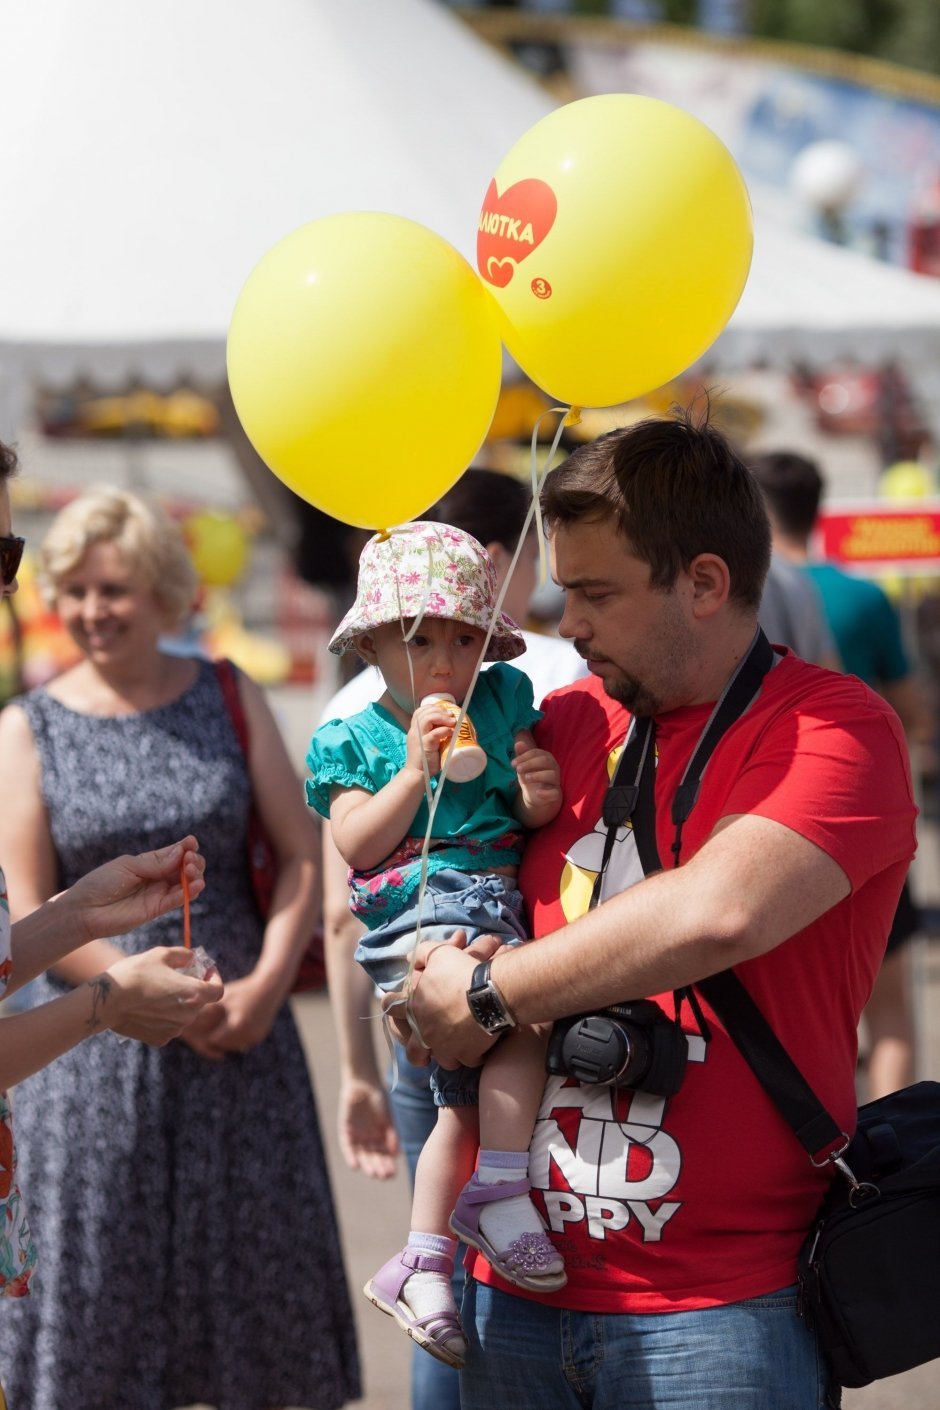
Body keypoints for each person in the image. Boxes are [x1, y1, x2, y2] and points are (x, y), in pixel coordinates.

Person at [387, 410, 916, 1410]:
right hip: (513, 1279)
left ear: (705, 584)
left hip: (722, 1306)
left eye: (595, 593)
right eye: (562, 591)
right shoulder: (565, 721)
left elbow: (718, 911)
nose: (567, 623)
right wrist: (424, 970)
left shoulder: (837, 728)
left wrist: (488, 994)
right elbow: (448, 880)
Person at [0, 485, 360, 1410]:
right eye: (71, 589)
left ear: (163, 590)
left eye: (111, 587)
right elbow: (32, 910)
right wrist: (128, 994)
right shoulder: (26, 726)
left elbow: (298, 854)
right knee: (94, 1331)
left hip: (242, 1040)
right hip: (88, 1059)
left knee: (257, 1324)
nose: (89, 609)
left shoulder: (228, 692)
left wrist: (268, 984)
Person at [320, 468, 588, 1410]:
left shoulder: (509, 699)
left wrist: (532, 791)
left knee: (495, 1067)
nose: (443, 661)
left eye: (464, 639)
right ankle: (470, 1217)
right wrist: (409, 771)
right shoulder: (353, 735)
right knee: (489, 994)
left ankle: (444, 1236)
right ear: (378, 645)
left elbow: (523, 810)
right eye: (420, 639)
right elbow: (354, 844)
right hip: (414, 926)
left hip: (493, 919)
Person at [750, 449, 928, 1098]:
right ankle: (884, 1168)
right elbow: (911, 709)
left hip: (762, 813)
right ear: (818, 507)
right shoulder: (863, 595)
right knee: (889, 1010)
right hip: (861, 814)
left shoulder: (731, 586)